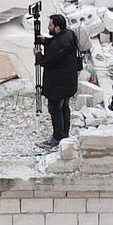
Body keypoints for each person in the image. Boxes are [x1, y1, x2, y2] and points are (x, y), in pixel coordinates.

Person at [36, 13, 81, 148]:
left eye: (50, 25)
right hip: (69, 82)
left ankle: (57, 137)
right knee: (65, 108)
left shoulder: (57, 44)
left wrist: (38, 54)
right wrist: (46, 40)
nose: (48, 27)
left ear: (57, 27)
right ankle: (64, 134)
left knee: (55, 109)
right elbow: (58, 46)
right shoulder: (69, 35)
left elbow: (47, 61)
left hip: (57, 84)